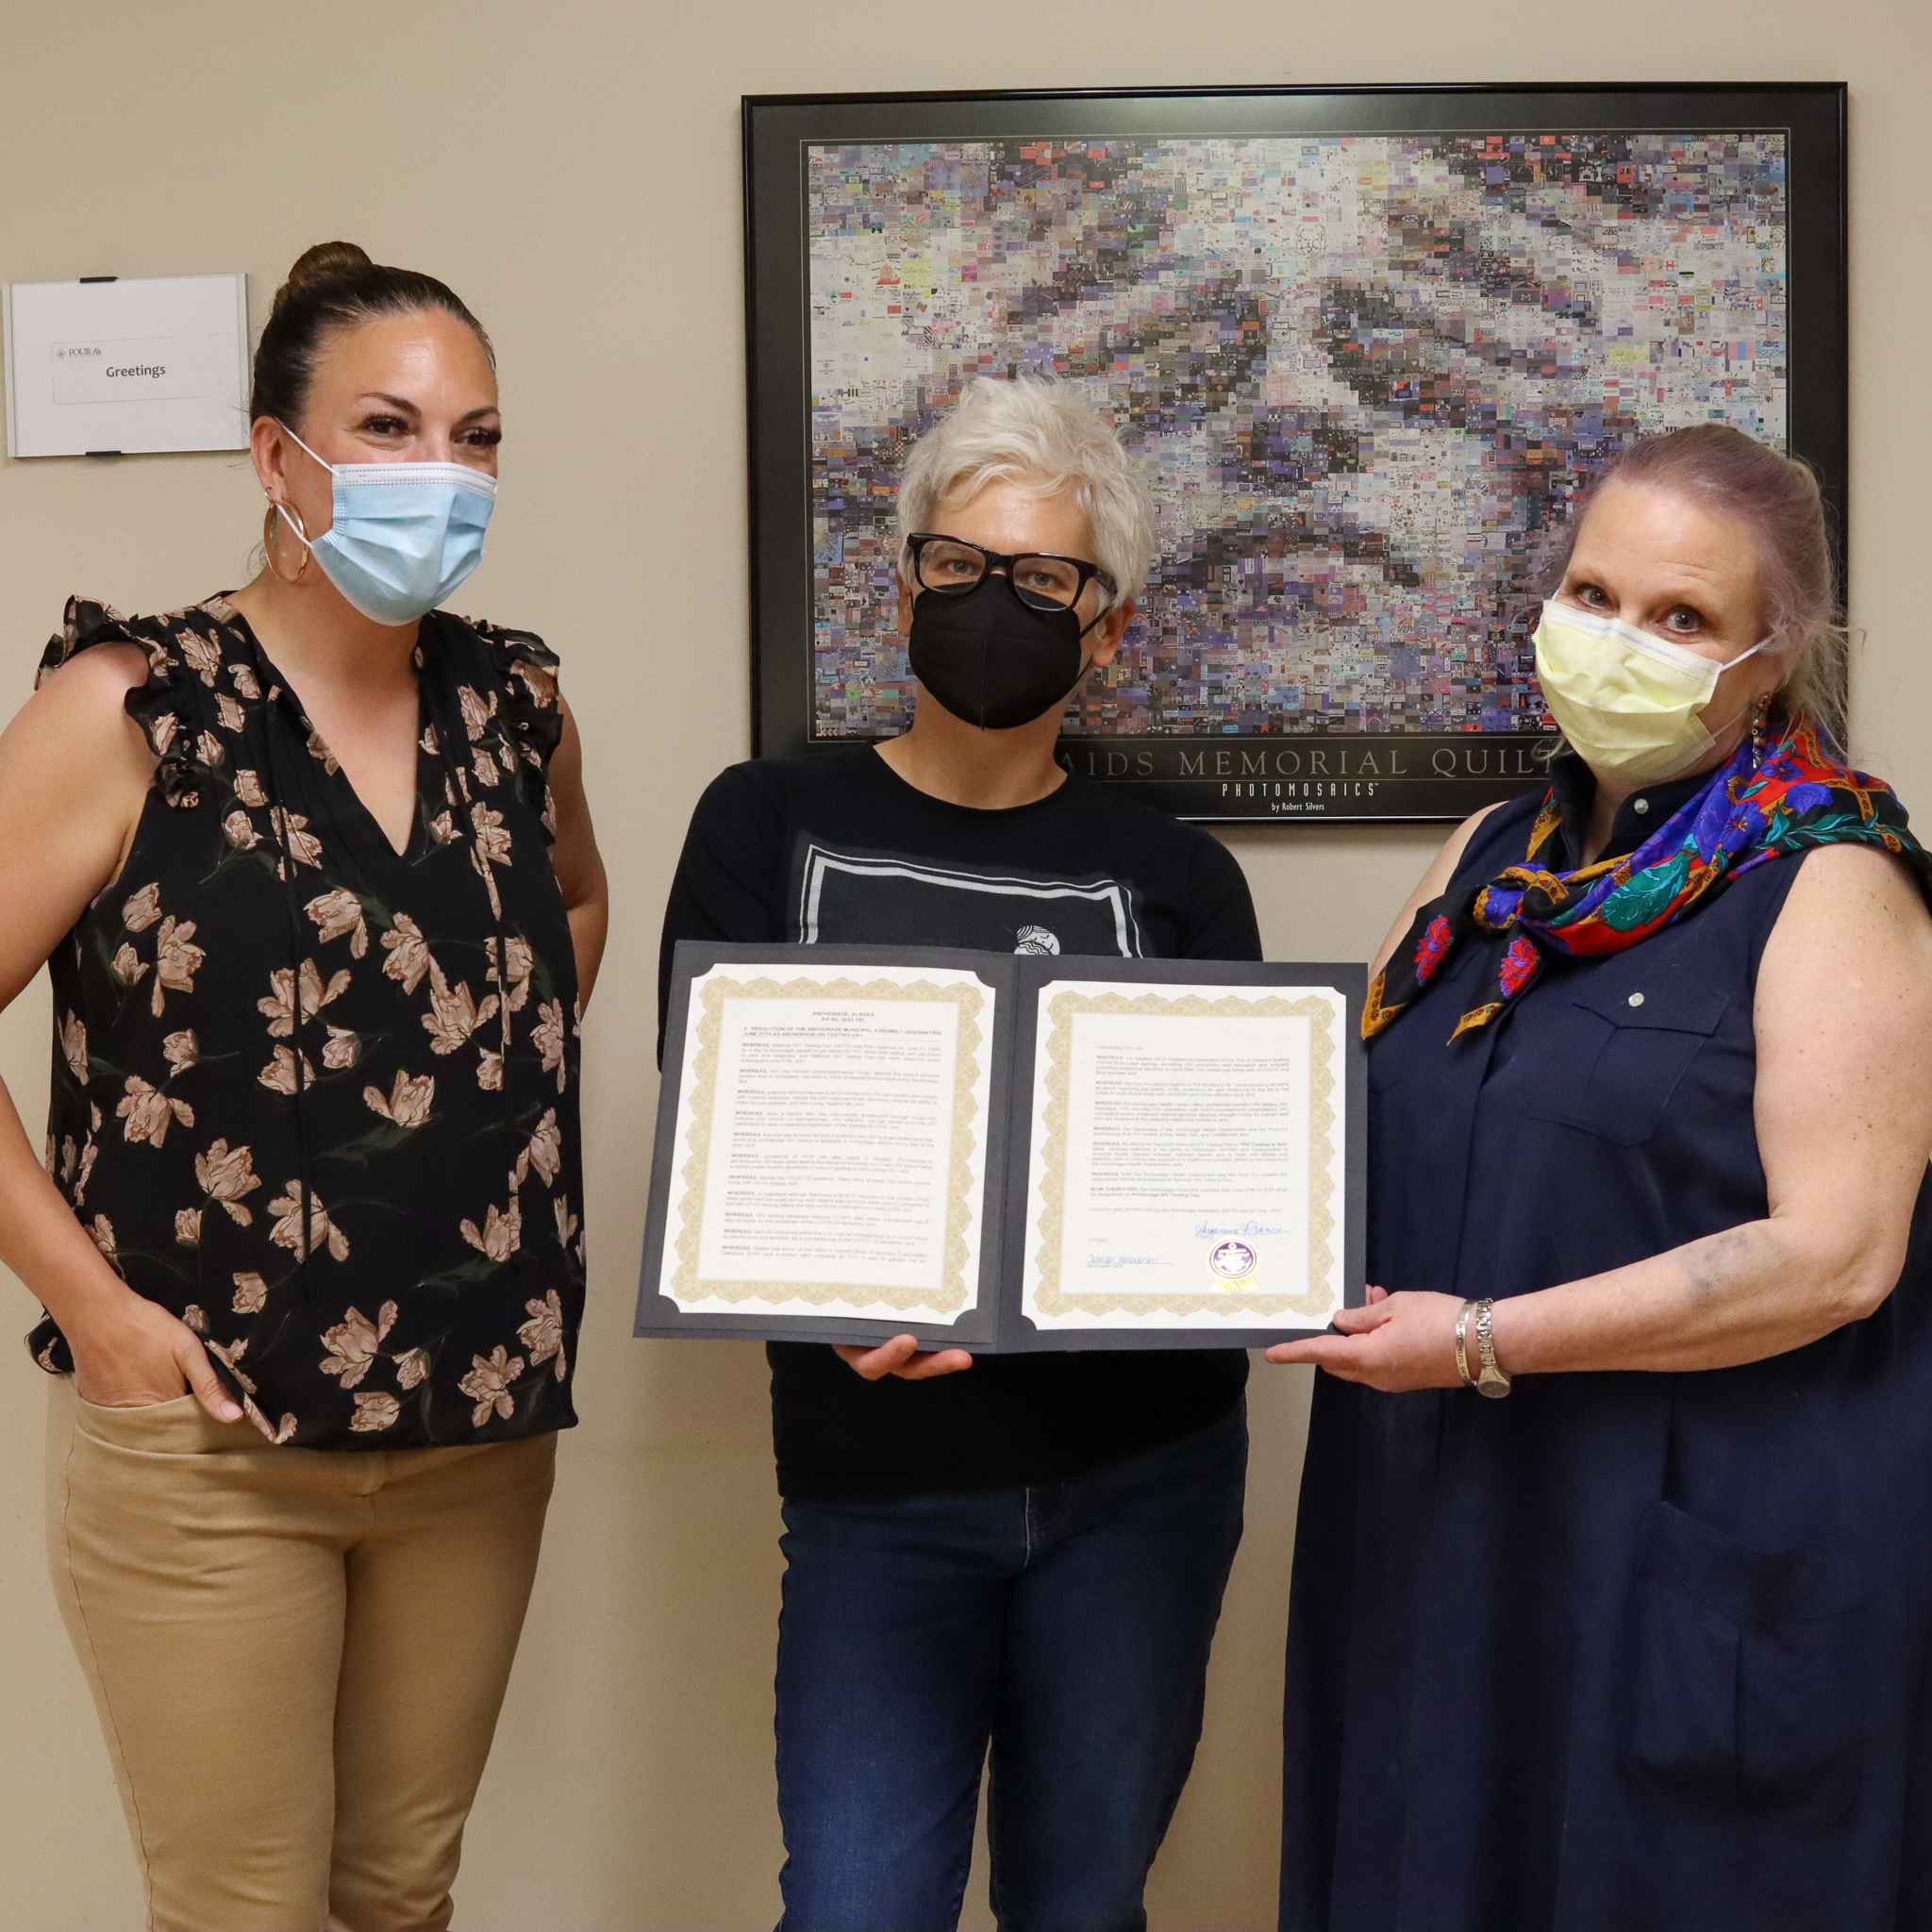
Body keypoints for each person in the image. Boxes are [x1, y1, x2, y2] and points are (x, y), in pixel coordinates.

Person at [7, 242, 607, 1931]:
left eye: (475, 438)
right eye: (391, 427)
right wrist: (99, 1313)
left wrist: (483, 1085)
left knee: (402, 1893)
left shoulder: (518, 706)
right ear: (280, 459)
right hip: (212, 1444)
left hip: (477, 1430)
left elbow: (568, 901)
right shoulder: (133, 709)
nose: (443, 475)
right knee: (244, 1912)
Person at [1269, 425, 1932, 1931]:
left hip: (1683, 1558)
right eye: (1593, 592)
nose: (1616, 641)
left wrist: (1486, 1340)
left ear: (1772, 658)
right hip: (1440, 1538)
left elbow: (1840, 1255)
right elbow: (1325, 1134)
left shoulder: (1835, 879)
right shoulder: (1489, 864)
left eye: (1682, 619)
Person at [660, 375, 1257, 1931]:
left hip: (1141, 1479)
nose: (996, 604)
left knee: (1084, 1903)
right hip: (880, 1489)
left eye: (1044, 578)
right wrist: (819, 1299)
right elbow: (715, 1131)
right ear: (904, 584)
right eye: (961, 566)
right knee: (857, 1905)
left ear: (1107, 627)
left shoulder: (1179, 877)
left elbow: (1222, 1177)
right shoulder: (763, 822)